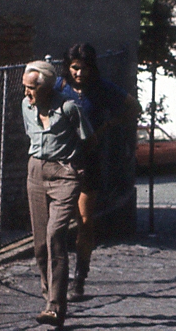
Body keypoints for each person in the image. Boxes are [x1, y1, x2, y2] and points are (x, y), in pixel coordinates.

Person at [54, 43, 138, 300]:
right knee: (56, 224)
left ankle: (80, 276)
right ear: (68, 68)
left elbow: (133, 108)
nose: (79, 73)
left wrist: (107, 126)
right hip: (60, 161)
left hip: (89, 160)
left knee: (85, 221)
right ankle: (56, 278)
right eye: (75, 68)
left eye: (85, 68)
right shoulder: (59, 87)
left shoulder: (101, 89)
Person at [22, 61, 92, 327]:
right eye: (25, 88)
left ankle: (55, 307)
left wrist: (78, 170)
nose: (27, 93)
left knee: (55, 236)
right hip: (36, 174)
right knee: (40, 244)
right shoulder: (25, 106)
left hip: (65, 174)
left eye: (32, 88)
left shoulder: (69, 108)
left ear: (47, 87)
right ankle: (48, 298)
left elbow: (88, 139)